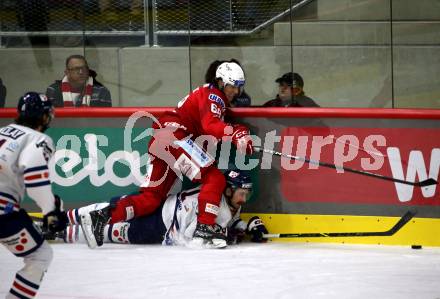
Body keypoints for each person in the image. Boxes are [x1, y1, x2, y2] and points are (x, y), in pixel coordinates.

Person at [81, 61, 254, 249]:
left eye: (239, 87)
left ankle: (101, 216)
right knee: (214, 179)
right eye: (232, 86)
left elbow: (222, 123)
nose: (236, 92)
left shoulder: (211, 96)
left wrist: (240, 132)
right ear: (220, 82)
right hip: (176, 138)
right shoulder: (214, 96)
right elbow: (211, 125)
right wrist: (235, 134)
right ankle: (205, 228)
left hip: (163, 139)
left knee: (150, 199)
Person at [49, 169, 268, 248]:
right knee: (109, 210)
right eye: (242, 193)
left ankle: (59, 229)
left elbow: (228, 221)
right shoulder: (215, 204)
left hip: (157, 221)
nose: (245, 198)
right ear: (229, 190)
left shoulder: (228, 201)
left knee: (107, 225)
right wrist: (230, 235)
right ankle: (59, 221)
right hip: (156, 224)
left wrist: (247, 226)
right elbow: (194, 235)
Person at [0, 92, 67, 299]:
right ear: (44, 117)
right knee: (40, 256)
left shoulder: (2, 131)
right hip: (2, 209)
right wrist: (50, 212)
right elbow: (35, 178)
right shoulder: (38, 138)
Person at [46, 55, 112, 107]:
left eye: (84, 68)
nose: (81, 72)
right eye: (76, 69)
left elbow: (105, 121)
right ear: (67, 72)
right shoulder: (53, 90)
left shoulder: (102, 92)